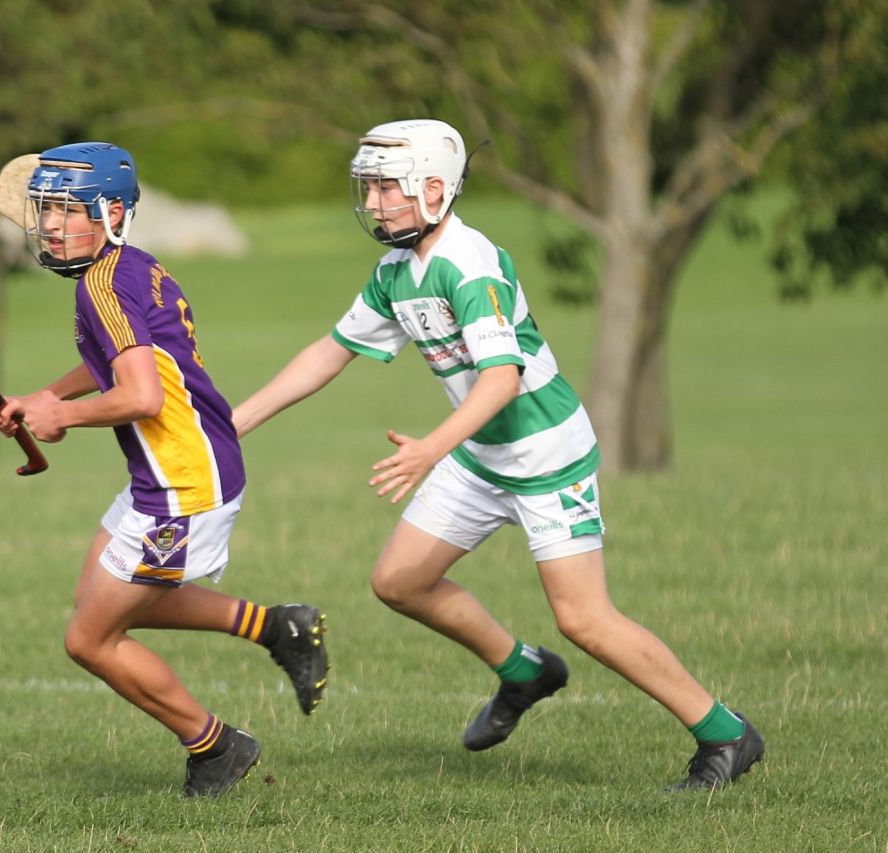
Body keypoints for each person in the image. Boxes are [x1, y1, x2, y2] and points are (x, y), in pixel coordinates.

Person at [232, 119, 763, 791]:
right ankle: (523, 671)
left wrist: (430, 448)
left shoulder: (468, 264)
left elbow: (502, 377)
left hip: (544, 454)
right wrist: (235, 420)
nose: (370, 205)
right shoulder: (397, 270)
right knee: (399, 580)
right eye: (366, 190)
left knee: (584, 619)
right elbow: (328, 351)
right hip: (480, 450)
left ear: (433, 189)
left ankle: (726, 732)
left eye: (384, 190)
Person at [0, 142, 329, 798]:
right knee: (96, 600)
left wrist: (65, 418)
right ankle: (277, 626)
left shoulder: (100, 284)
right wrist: (43, 398)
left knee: (89, 638)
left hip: (182, 484)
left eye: (66, 210)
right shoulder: (129, 269)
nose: (51, 225)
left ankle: (217, 745)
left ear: (112, 212)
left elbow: (140, 395)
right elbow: (114, 362)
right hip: (176, 470)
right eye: (45, 210)